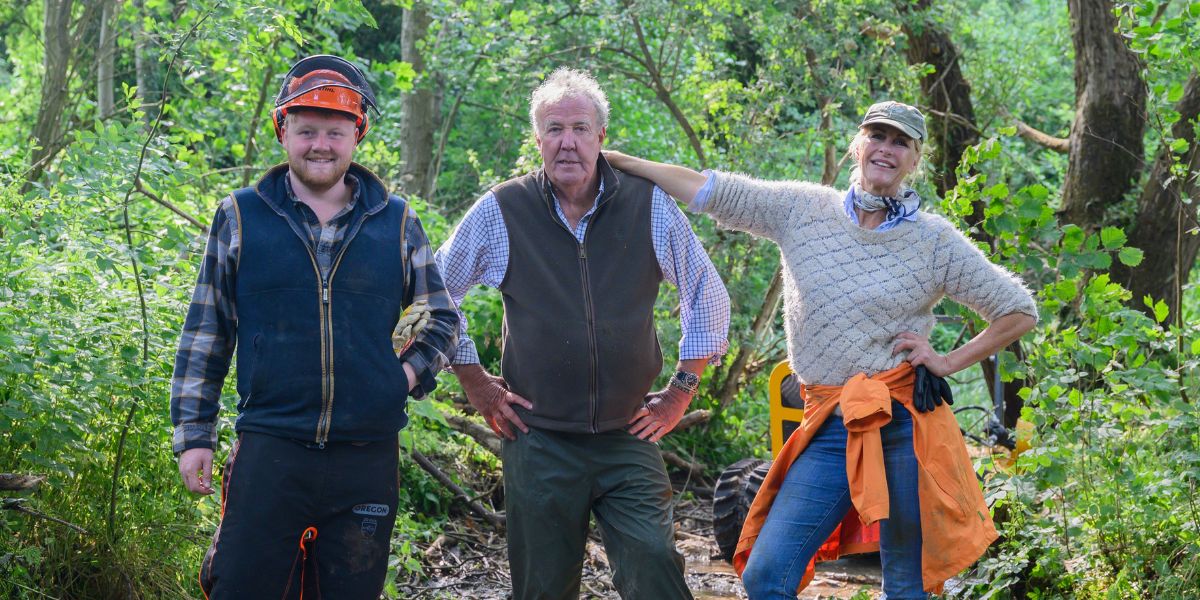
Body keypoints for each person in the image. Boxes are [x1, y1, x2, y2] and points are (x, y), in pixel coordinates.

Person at [605, 100, 1038, 599]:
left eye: (901, 142)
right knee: (767, 574)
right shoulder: (802, 209)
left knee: (905, 586)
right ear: (858, 144)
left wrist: (946, 362)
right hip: (829, 422)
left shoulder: (934, 241)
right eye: (877, 136)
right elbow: (710, 190)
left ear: (915, 159)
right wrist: (621, 161)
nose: (886, 149)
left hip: (904, 425)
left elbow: (1018, 309)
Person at [170, 54, 458, 599]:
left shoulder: (397, 221)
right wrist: (194, 435)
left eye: (334, 132)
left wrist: (401, 378)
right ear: (283, 131)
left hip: (365, 457)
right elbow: (207, 330)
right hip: (270, 447)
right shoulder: (241, 215)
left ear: (357, 135)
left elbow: (442, 317)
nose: (320, 145)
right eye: (306, 131)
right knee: (241, 587)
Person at [435, 67, 730, 600]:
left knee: (655, 564)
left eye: (579, 128)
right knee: (543, 587)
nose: (566, 142)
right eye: (554, 129)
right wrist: (475, 381)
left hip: (626, 434)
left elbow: (705, 291)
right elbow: (436, 293)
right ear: (538, 140)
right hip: (538, 439)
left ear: (601, 137)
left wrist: (680, 391)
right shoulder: (504, 209)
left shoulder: (647, 204)